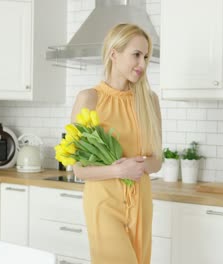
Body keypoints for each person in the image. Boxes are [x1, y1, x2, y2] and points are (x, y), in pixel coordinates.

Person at [71, 23, 163, 264]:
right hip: (104, 202)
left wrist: (141, 166)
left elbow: (157, 161)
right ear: (114, 53)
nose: (142, 64)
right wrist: (119, 170)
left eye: (145, 56)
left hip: (141, 202)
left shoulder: (149, 100)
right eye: (136, 55)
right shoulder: (89, 99)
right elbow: (78, 169)